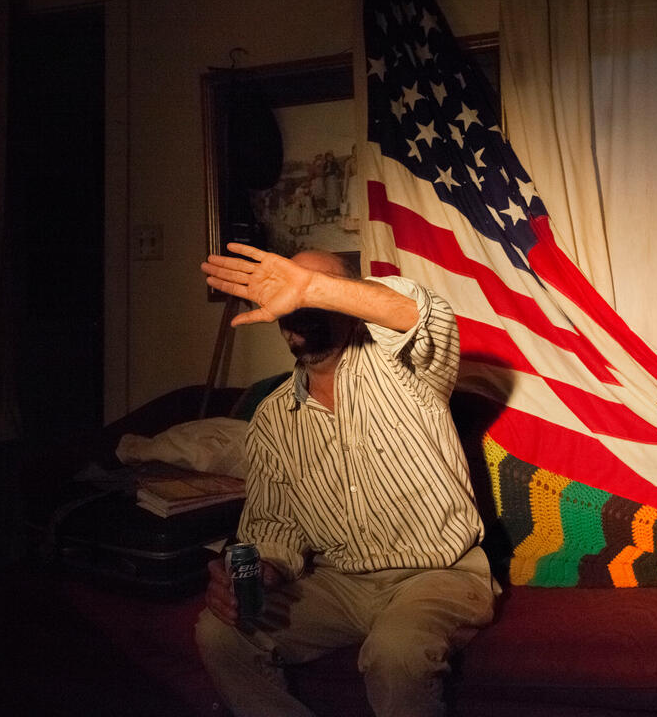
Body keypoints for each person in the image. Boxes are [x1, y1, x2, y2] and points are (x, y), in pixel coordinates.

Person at [195, 242, 496, 717]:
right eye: (288, 294)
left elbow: (421, 314)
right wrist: (257, 572)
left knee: (395, 652)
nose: (299, 304)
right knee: (219, 633)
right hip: (339, 582)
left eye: (317, 291)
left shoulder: (403, 368)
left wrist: (312, 288)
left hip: (437, 575)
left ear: (350, 298)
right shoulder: (272, 418)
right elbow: (274, 529)